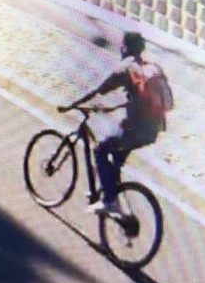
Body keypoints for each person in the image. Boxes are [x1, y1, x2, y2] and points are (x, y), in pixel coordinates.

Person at [58, 32, 174, 214]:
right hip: (154, 130)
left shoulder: (126, 67)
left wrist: (72, 104)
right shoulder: (153, 68)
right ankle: (115, 199)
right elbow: (142, 99)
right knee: (115, 160)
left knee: (100, 150)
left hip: (135, 129)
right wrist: (110, 108)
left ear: (124, 48)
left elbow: (98, 90)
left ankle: (110, 201)